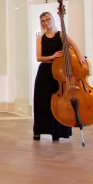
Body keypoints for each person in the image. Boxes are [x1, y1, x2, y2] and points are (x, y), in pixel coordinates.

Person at [33, 11, 83, 141]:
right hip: (45, 72)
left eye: (48, 19)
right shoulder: (40, 39)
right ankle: (38, 131)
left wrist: (80, 56)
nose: (46, 23)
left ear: (53, 20)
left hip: (60, 73)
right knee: (42, 102)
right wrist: (52, 56)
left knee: (59, 103)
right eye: (43, 21)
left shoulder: (61, 35)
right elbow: (39, 58)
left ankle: (57, 132)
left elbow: (74, 46)